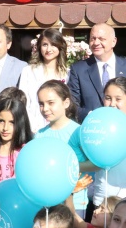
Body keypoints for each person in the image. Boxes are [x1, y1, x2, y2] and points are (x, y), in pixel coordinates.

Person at [35, 80, 95, 219]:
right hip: (48, 200)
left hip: (76, 202)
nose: (45, 109)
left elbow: (95, 164)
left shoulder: (79, 132)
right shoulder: (40, 135)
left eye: (51, 103)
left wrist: (68, 167)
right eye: (41, 104)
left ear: (66, 103)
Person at [68, 23, 126, 123]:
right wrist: (93, 116)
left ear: (113, 41)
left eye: (101, 39)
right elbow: (72, 105)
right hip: (92, 127)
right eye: (93, 38)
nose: (96, 42)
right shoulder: (78, 69)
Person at [93, 78, 126, 206]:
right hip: (103, 198)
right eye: (108, 98)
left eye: (118, 99)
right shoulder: (96, 124)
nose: (112, 104)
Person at [19, 28, 70, 133]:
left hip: (60, 128)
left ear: (60, 47)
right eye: (45, 45)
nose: (48, 49)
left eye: (53, 45)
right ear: (39, 47)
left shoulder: (67, 73)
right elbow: (23, 101)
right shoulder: (28, 71)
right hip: (34, 128)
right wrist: (31, 127)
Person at [0, 97, 33, 185]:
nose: (5, 128)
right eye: (1, 121)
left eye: (12, 122)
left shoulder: (26, 153)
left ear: (21, 123)